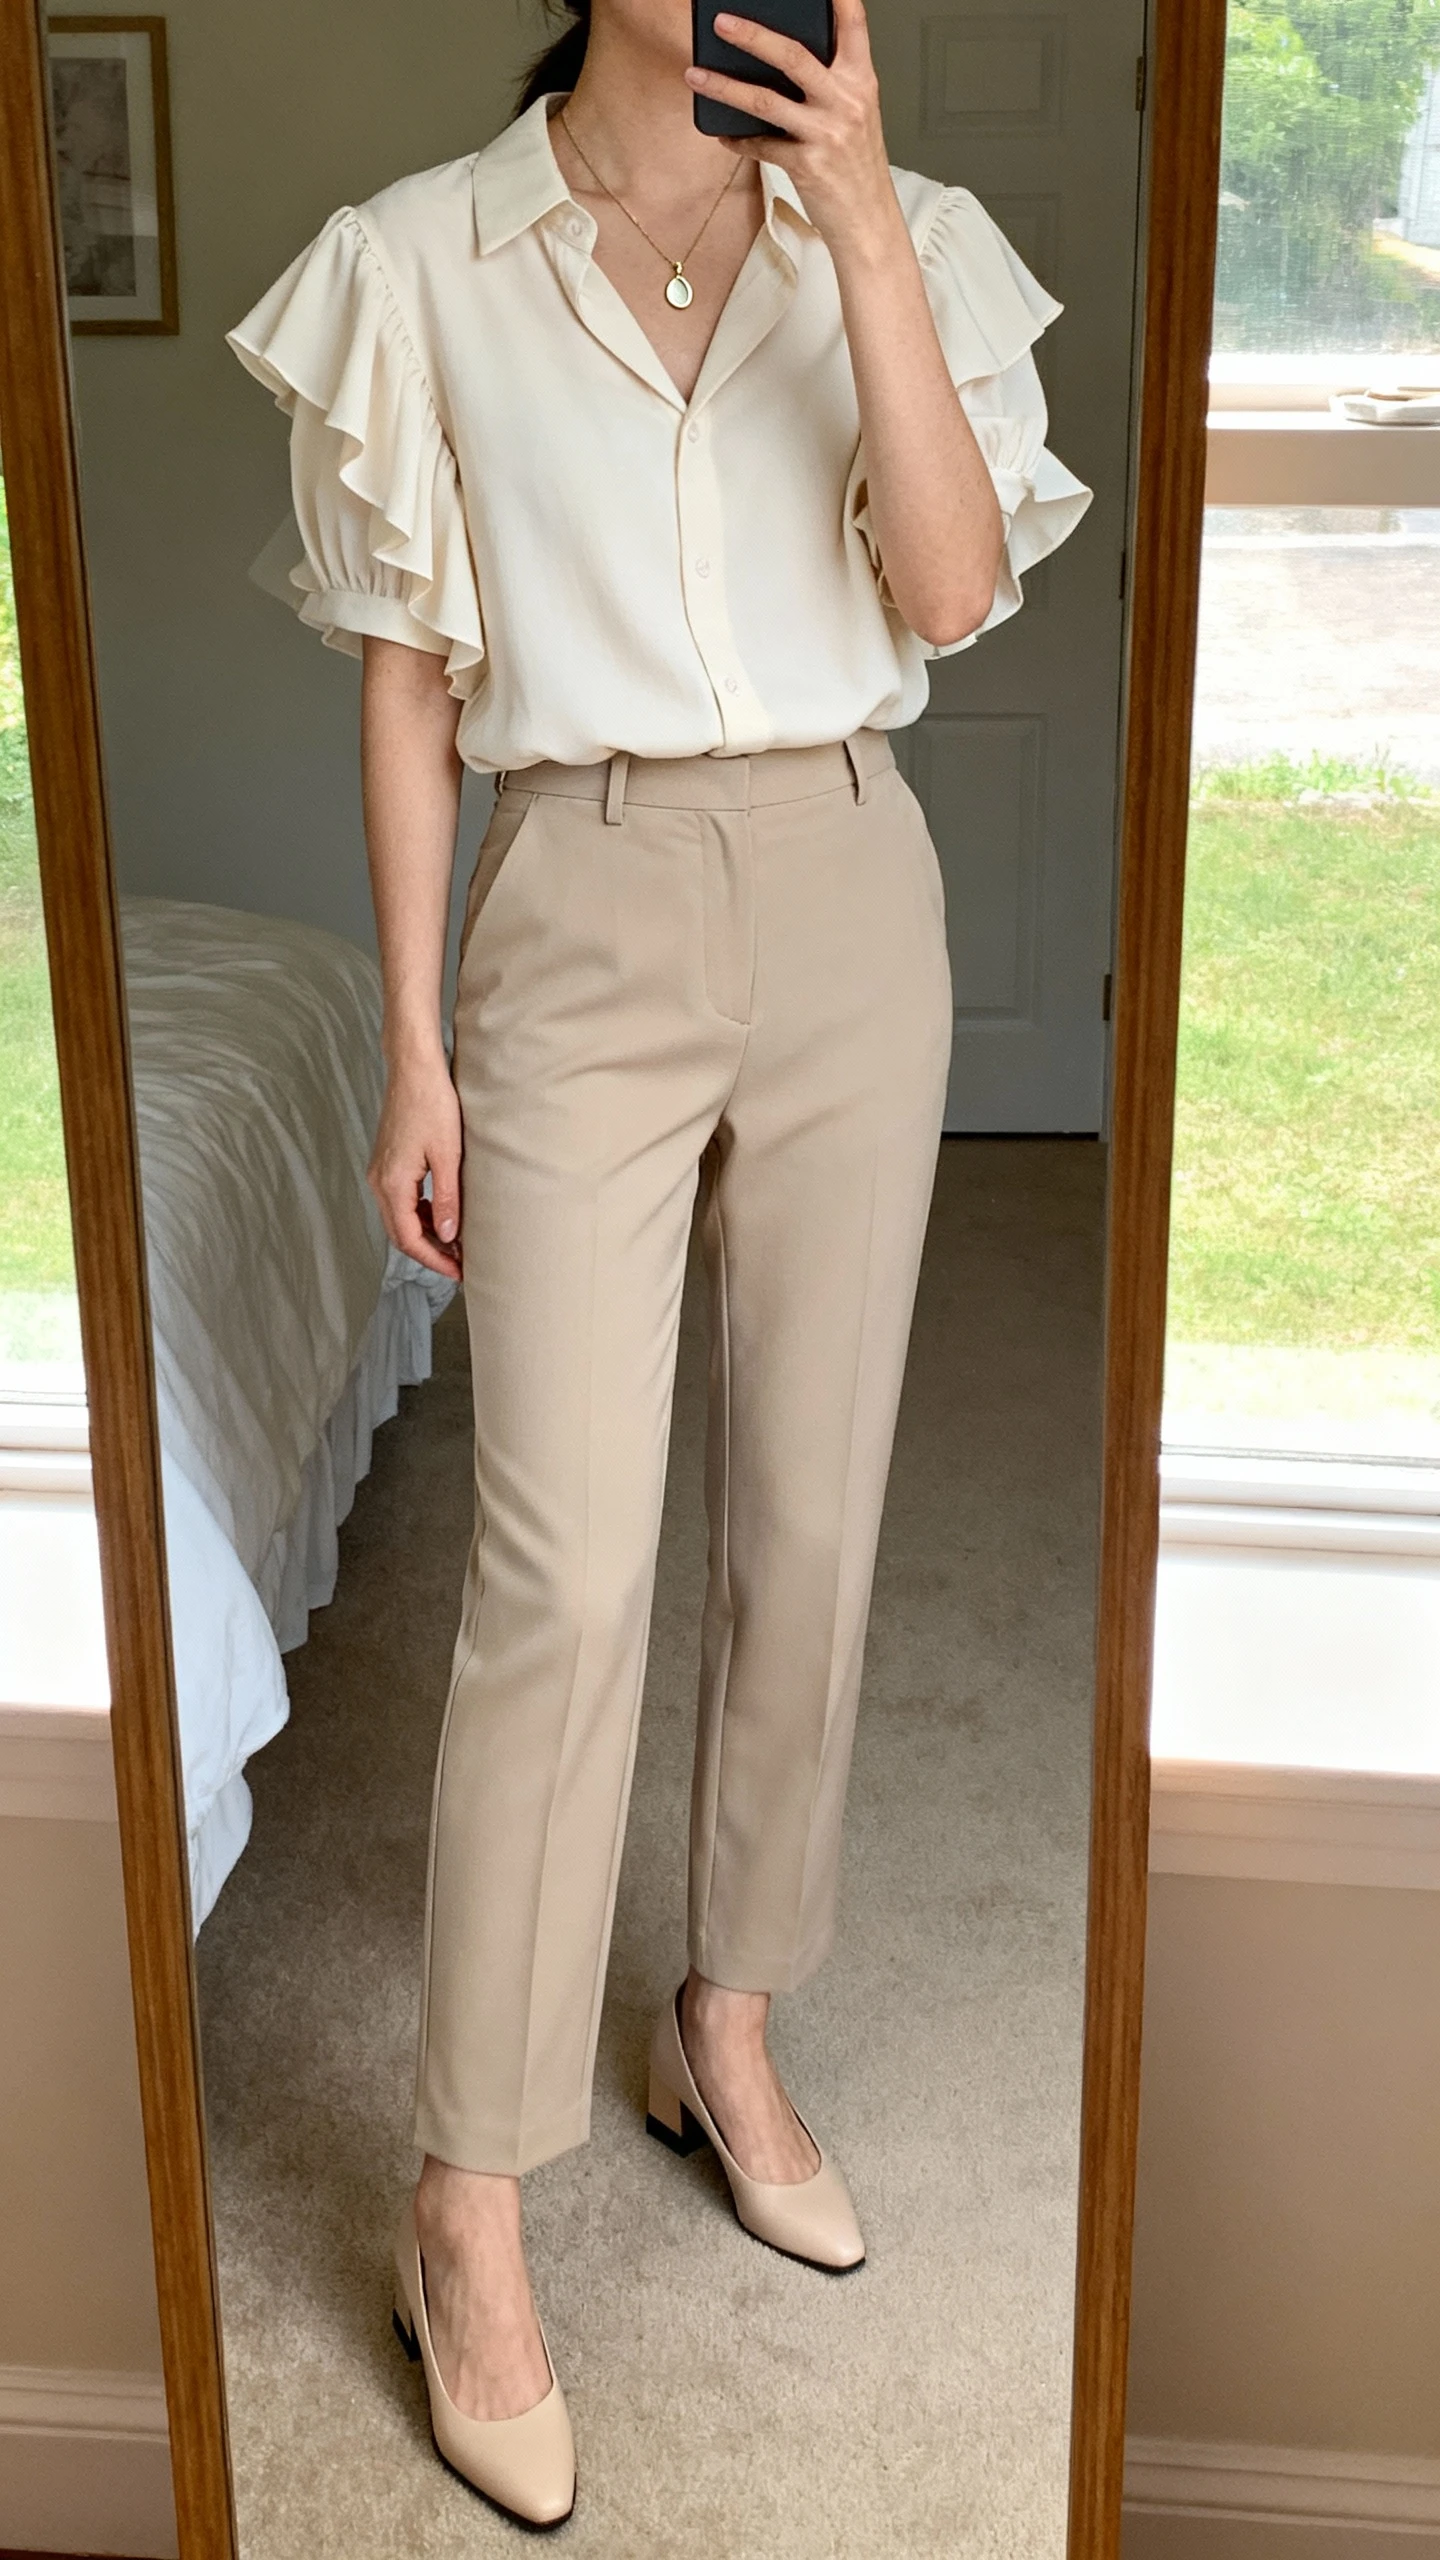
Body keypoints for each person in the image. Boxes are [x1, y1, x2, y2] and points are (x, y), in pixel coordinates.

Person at [228, 0, 1090, 2523]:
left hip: (849, 875)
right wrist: (412, 1044)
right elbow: (407, 687)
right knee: (562, 1566)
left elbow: (948, 590)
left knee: (810, 1516)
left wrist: (860, 228)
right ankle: (464, 2199)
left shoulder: (904, 234)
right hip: (576, 895)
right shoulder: (422, 262)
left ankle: (727, 2015)